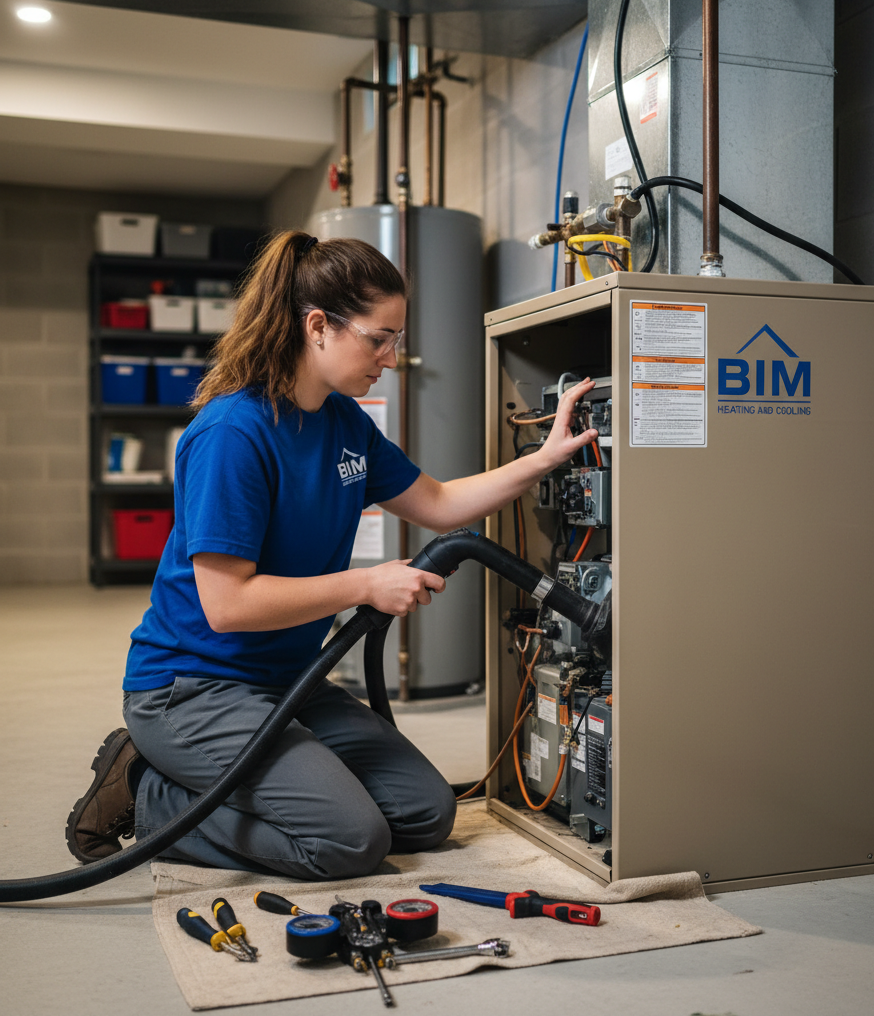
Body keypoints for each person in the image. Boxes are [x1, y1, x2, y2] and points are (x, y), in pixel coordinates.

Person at [66, 230, 597, 880]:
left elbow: (438, 503)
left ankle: (259, 781)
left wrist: (545, 458)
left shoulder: (345, 423)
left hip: (288, 681)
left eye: (397, 339)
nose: (392, 359)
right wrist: (366, 585)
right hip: (194, 689)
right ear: (317, 326)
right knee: (348, 840)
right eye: (380, 339)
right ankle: (149, 791)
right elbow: (227, 605)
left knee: (425, 814)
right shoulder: (232, 434)